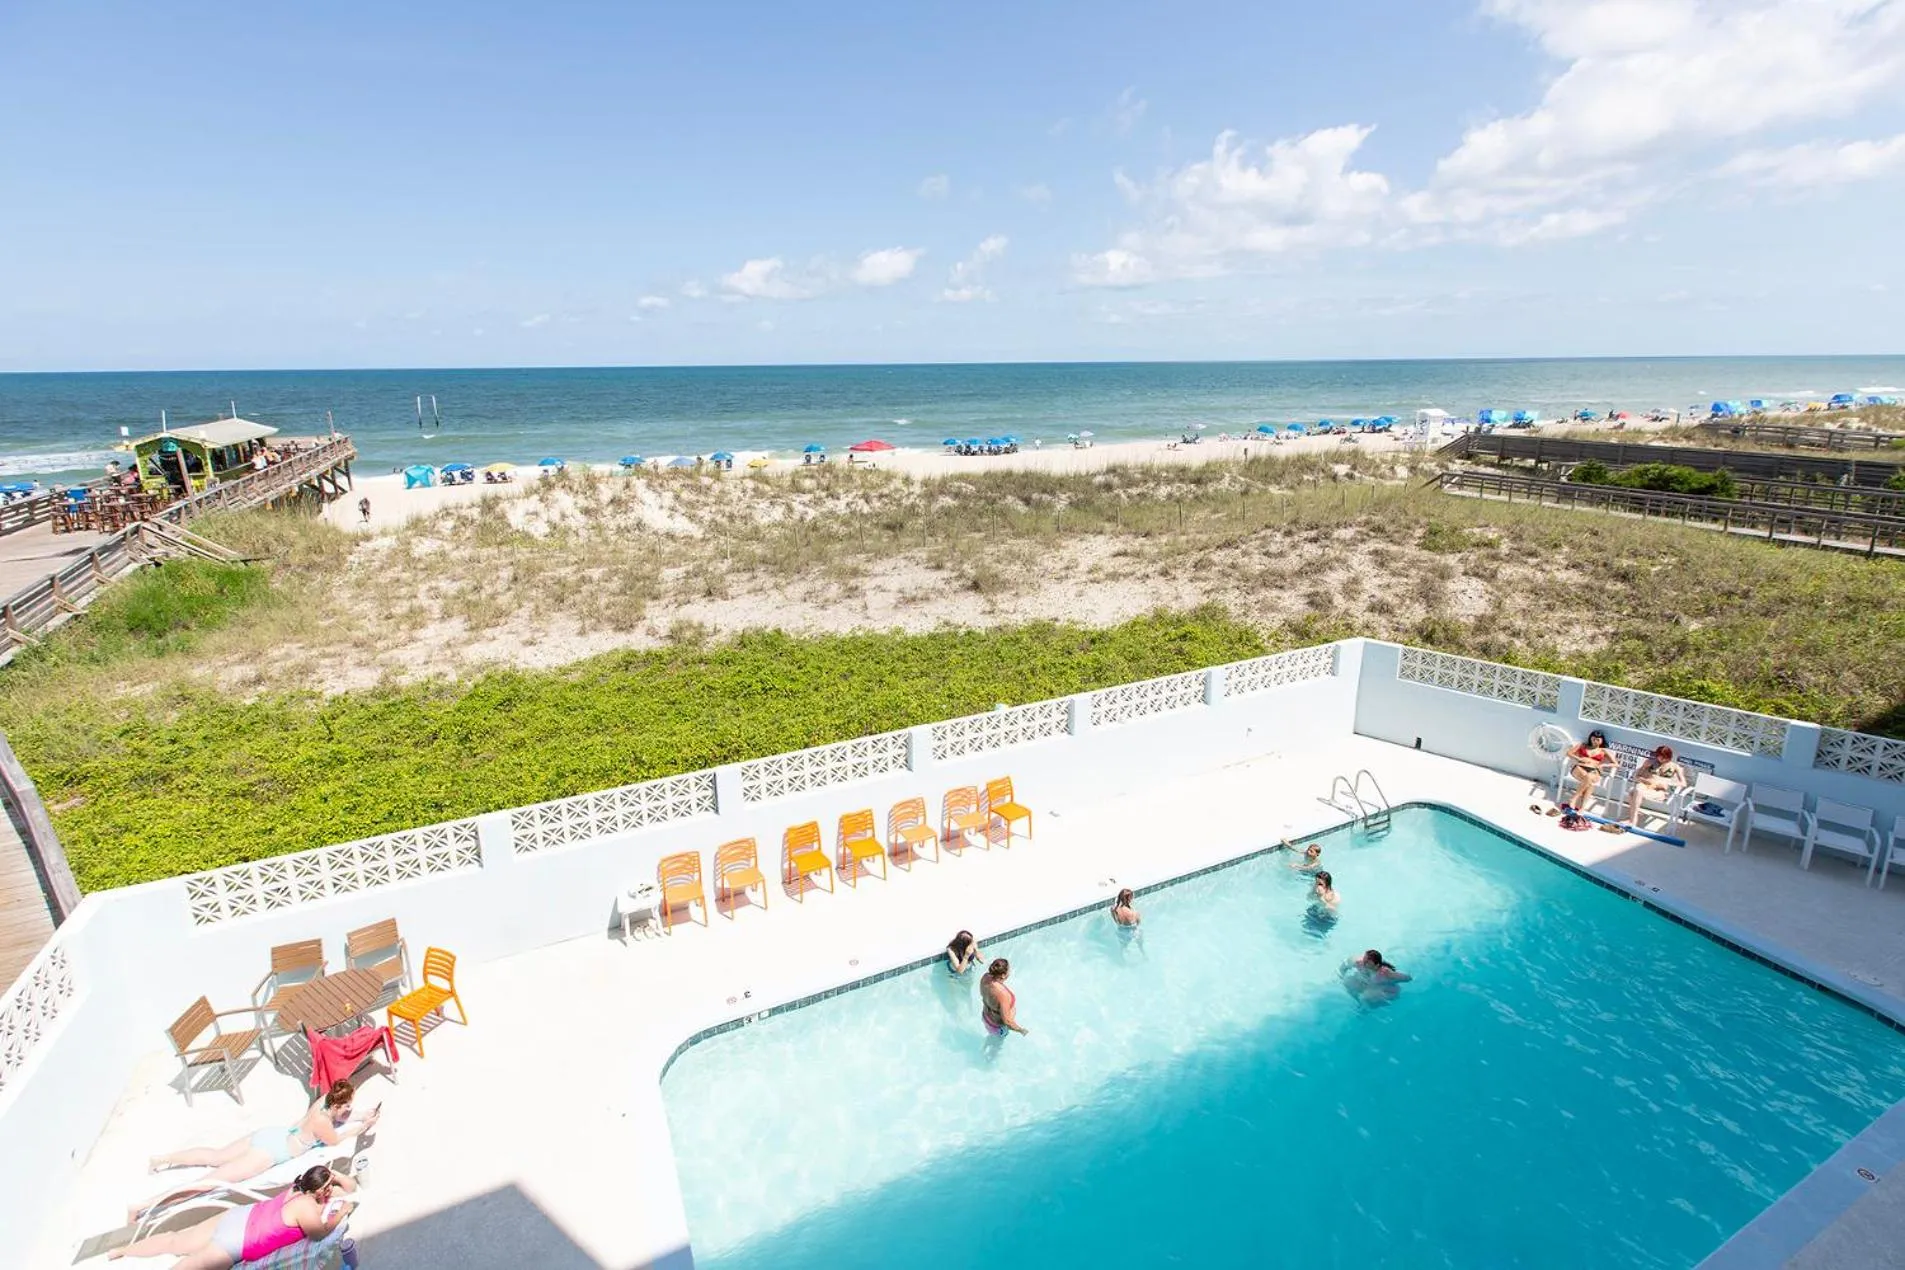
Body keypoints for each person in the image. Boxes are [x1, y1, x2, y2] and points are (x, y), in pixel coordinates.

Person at [136, 1080, 379, 1220]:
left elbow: (342, 1116)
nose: (350, 1108)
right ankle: (145, 1205)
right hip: (270, 1153)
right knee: (209, 1183)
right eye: (347, 1105)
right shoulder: (323, 1123)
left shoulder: (323, 1101)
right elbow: (335, 1140)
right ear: (337, 1105)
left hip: (273, 1134)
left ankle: (162, 1159)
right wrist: (362, 1127)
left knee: (216, 1156)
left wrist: (361, 1114)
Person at [109, 1164, 357, 1267]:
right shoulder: (305, 1205)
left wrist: (333, 1175)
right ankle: (122, 1252)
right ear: (315, 1190)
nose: (329, 1191)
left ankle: (121, 1251)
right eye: (326, 1187)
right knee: (188, 1267)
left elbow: (349, 1187)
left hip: (238, 1217)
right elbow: (319, 1233)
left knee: (175, 1240)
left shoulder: (298, 1188)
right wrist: (341, 1212)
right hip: (238, 1241)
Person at [1620, 745, 1686, 826]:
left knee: (1634, 792)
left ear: (1669, 757)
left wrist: (1667, 783)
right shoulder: (1650, 762)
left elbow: (1683, 783)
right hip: (1646, 786)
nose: (1661, 759)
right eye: (1659, 757)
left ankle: (1632, 820)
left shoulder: (1675, 767)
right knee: (1637, 789)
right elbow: (1636, 776)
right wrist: (1644, 769)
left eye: (1664, 757)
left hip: (1659, 791)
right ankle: (1633, 819)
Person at [1560, 729, 1614, 810]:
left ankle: (1575, 800)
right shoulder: (1582, 745)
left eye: (1598, 739)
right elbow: (1569, 753)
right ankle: (1581, 806)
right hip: (1579, 767)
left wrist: (1604, 765)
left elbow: (1616, 763)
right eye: (1593, 739)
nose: (1595, 741)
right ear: (1590, 738)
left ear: (1602, 740)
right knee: (1589, 782)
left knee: (1588, 779)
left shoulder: (1603, 751)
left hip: (1594, 770)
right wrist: (1578, 758)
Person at [980, 958, 1027, 1038]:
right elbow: (1007, 1022)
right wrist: (1021, 1030)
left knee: (991, 1037)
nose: (1010, 972)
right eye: (1009, 970)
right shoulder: (1003, 995)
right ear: (1003, 975)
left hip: (986, 1017)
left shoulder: (985, 977)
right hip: (998, 1028)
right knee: (996, 1043)